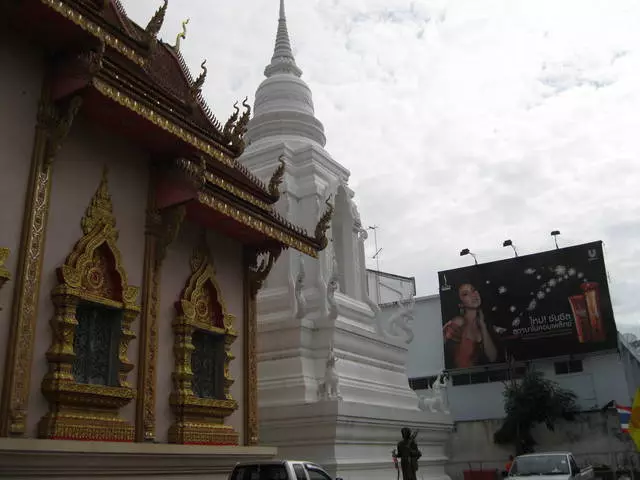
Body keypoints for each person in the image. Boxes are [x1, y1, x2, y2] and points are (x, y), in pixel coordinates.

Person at [443, 283, 498, 368]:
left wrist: (483, 326)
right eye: (465, 294)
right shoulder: (458, 322)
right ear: (460, 304)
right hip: (463, 378)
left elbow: (493, 358)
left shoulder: (483, 323)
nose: (473, 295)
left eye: (473, 290)